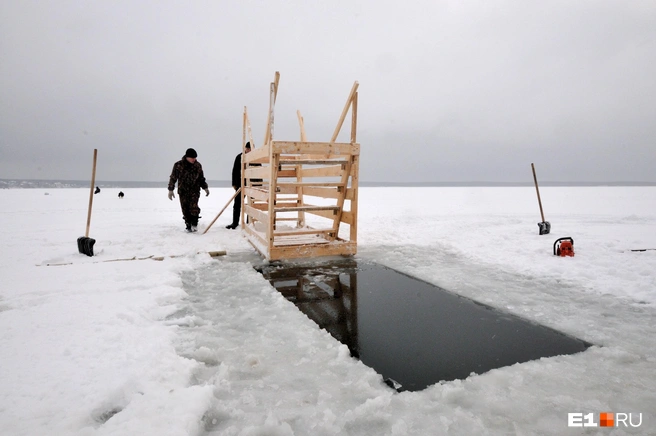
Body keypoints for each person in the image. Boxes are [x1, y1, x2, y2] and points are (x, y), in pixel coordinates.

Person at [168, 148, 210, 232]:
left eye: (195, 158)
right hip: (183, 191)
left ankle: (194, 224)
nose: (194, 159)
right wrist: (170, 190)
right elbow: (173, 178)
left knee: (194, 208)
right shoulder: (178, 165)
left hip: (194, 190)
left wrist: (205, 187)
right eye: (192, 158)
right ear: (187, 157)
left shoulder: (197, 165)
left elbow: (201, 178)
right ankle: (188, 225)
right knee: (185, 209)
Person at [226, 142, 256, 229]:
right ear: (245, 148)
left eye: (250, 149)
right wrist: (234, 184)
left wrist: (258, 185)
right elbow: (235, 171)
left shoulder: (256, 158)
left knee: (251, 204)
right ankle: (235, 222)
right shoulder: (239, 157)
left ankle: (248, 222)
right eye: (247, 149)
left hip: (252, 186)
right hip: (240, 184)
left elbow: (259, 171)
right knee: (237, 204)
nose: (248, 150)